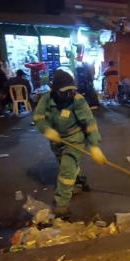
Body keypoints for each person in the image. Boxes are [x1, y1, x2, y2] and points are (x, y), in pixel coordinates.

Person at [33, 68, 107, 216]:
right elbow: (38, 117)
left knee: (66, 169)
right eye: (64, 91)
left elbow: (89, 123)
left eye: (71, 91)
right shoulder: (47, 99)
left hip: (75, 139)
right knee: (68, 165)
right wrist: (47, 130)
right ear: (55, 90)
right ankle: (80, 181)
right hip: (57, 141)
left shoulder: (77, 100)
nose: (69, 95)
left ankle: (62, 205)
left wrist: (94, 145)